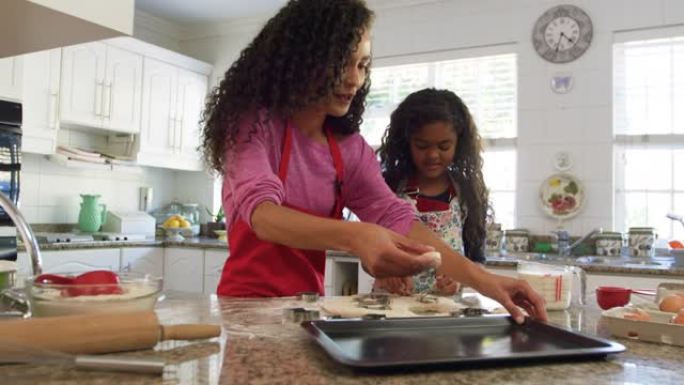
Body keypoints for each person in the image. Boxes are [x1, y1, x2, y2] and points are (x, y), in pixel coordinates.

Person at [201, 0, 547, 323]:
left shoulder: (347, 148)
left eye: (362, 65)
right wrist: (358, 236)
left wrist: (486, 281)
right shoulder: (251, 124)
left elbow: (395, 216)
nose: (354, 79)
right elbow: (263, 216)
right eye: (342, 63)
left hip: (307, 307)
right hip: (244, 307)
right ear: (303, 57)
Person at [375, 88, 488, 296]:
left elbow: (477, 260)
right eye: (422, 146)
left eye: (444, 146)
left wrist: (460, 280)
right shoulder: (388, 186)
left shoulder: (468, 193)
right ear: (406, 143)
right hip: (391, 306)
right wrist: (385, 271)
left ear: (459, 144)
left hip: (446, 311)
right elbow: (370, 247)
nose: (433, 155)